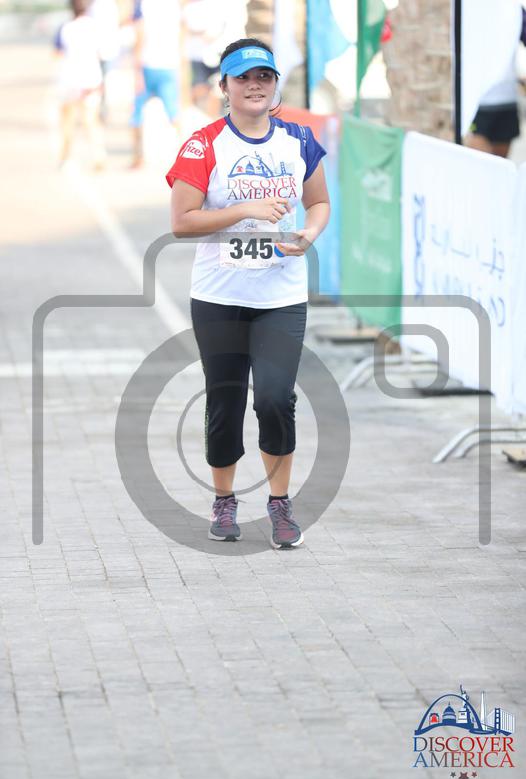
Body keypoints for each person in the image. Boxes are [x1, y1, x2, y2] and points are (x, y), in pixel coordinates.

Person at [166, 38, 330, 549]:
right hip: (219, 297)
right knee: (226, 400)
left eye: (264, 76)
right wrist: (244, 210)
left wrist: (308, 235)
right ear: (225, 86)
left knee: (277, 399)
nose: (254, 85)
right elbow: (182, 222)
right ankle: (224, 499)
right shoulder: (205, 144)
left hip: (281, 296)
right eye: (243, 77)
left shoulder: (298, 140)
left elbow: (319, 202)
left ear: (275, 83)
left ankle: (280, 504)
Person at [466, 5, 526, 158]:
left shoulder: (512, 10)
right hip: (476, 104)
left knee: (499, 166)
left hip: (506, 100)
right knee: (482, 164)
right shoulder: (468, 9)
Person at [54, 0, 106, 169]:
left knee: (68, 122)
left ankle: (65, 158)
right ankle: (98, 157)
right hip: (91, 79)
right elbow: (102, 54)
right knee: (91, 121)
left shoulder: (65, 28)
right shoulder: (95, 27)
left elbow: (57, 53)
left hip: (71, 81)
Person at [130, 0, 181, 168]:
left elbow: (139, 34)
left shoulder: (142, 4)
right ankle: (186, 157)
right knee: (173, 113)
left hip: (148, 64)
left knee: (137, 113)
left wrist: (136, 69)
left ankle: (138, 157)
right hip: (169, 64)